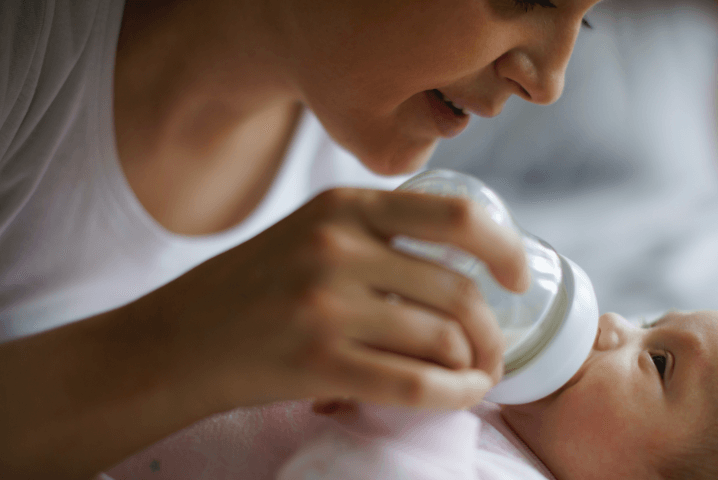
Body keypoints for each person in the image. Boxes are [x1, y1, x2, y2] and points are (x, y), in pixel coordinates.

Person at [0, 0, 603, 478]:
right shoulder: (29, 44)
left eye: (588, 18)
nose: (549, 83)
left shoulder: (361, 173)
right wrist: (183, 346)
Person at [102, 310, 718, 479]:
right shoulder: (511, 400)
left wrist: (414, 405)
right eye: (650, 320)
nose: (612, 321)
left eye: (661, 361)